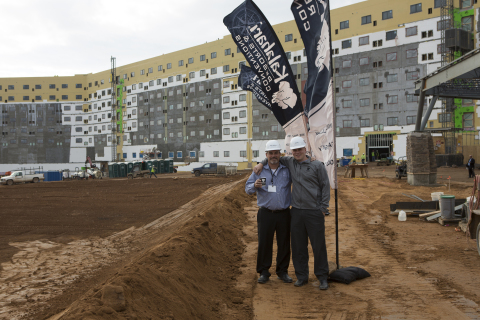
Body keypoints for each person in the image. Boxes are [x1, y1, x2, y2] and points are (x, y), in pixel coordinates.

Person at [254, 137, 330, 290]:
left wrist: (323, 208)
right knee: (298, 247)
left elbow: (325, 186)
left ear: (305, 150)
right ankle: (302, 276)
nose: (297, 152)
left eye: (299, 149)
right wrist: (261, 163)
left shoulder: (317, 166)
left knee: (318, 246)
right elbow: (273, 157)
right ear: (291, 152)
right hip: (296, 212)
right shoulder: (289, 162)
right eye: (294, 150)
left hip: (314, 212)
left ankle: (322, 277)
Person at [245, 140, 293, 284]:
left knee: (284, 243)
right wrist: (254, 185)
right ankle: (264, 272)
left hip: (284, 213)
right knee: (264, 243)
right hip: (266, 213)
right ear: (266, 155)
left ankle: (282, 271)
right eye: (271, 153)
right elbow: (247, 189)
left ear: (280, 154)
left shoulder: (287, 170)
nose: (274, 156)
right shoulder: (259, 171)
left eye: (276, 153)